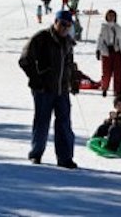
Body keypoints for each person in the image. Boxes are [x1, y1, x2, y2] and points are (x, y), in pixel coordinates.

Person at [18, 10, 78, 169]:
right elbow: (25, 60)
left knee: (64, 124)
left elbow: (69, 64)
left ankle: (65, 158)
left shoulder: (68, 42)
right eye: (62, 24)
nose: (65, 28)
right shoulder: (41, 38)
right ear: (56, 22)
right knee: (42, 121)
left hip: (62, 90)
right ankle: (36, 153)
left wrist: (73, 80)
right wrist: (36, 79)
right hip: (43, 89)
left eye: (68, 25)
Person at [96, 9, 121, 97]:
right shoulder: (104, 27)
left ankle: (118, 91)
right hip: (107, 52)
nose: (111, 17)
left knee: (118, 73)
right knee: (106, 73)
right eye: (109, 16)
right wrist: (98, 50)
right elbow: (100, 39)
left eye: (113, 16)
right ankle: (104, 87)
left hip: (117, 52)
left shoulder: (118, 28)